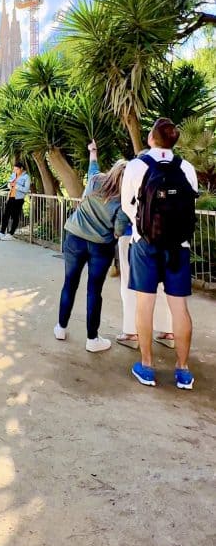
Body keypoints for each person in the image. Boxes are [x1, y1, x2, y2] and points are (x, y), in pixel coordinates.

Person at [121, 117, 198, 389]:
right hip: (179, 246)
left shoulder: (136, 166)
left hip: (145, 244)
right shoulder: (186, 168)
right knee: (179, 307)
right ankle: (183, 369)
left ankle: (147, 365)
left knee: (145, 303)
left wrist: (144, 227)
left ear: (152, 138)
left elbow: (128, 206)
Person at [54, 140, 129, 352]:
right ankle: (92, 339)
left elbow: (93, 167)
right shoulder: (123, 200)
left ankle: (61, 327)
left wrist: (93, 151)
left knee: (70, 283)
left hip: (75, 238)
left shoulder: (95, 181)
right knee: (94, 291)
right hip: (100, 247)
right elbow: (118, 230)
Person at [115, 222, 174, 349]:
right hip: (163, 234)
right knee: (161, 282)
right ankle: (167, 330)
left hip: (133, 235)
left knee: (130, 282)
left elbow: (125, 209)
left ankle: (131, 332)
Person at [0, 161, 30, 240]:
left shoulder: (26, 177)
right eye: (14, 169)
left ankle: (11, 233)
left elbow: (26, 189)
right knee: (6, 215)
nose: (15, 171)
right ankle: (2, 232)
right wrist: (10, 185)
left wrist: (16, 186)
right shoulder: (13, 175)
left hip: (19, 199)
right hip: (11, 197)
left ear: (21, 168)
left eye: (16, 169)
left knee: (15, 216)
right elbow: (9, 183)